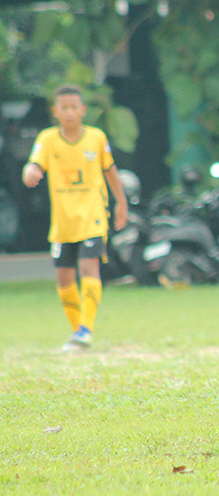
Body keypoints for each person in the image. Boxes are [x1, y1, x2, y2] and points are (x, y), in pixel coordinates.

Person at [22, 84, 128, 351]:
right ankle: (78, 331)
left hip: (93, 215)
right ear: (55, 111)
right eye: (63, 108)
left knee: (88, 268)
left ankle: (85, 329)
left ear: (82, 110)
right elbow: (33, 165)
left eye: (74, 107)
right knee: (64, 278)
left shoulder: (96, 138)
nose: (69, 112)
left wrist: (121, 203)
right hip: (63, 222)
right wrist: (29, 174)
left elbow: (110, 171)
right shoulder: (47, 139)